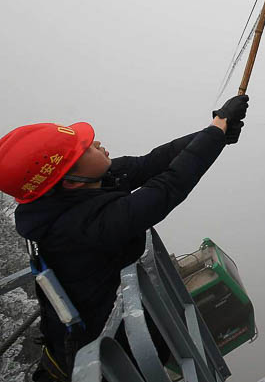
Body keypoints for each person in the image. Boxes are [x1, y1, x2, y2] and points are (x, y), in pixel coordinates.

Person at [0, 94, 249, 380]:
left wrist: (216, 132)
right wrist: (215, 133)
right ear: (69, 180)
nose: (96, 143)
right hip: (107, 364)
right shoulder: (82, 228)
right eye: (84, 148)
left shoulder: (77, 190)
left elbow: (151, 163)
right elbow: (166, 188)